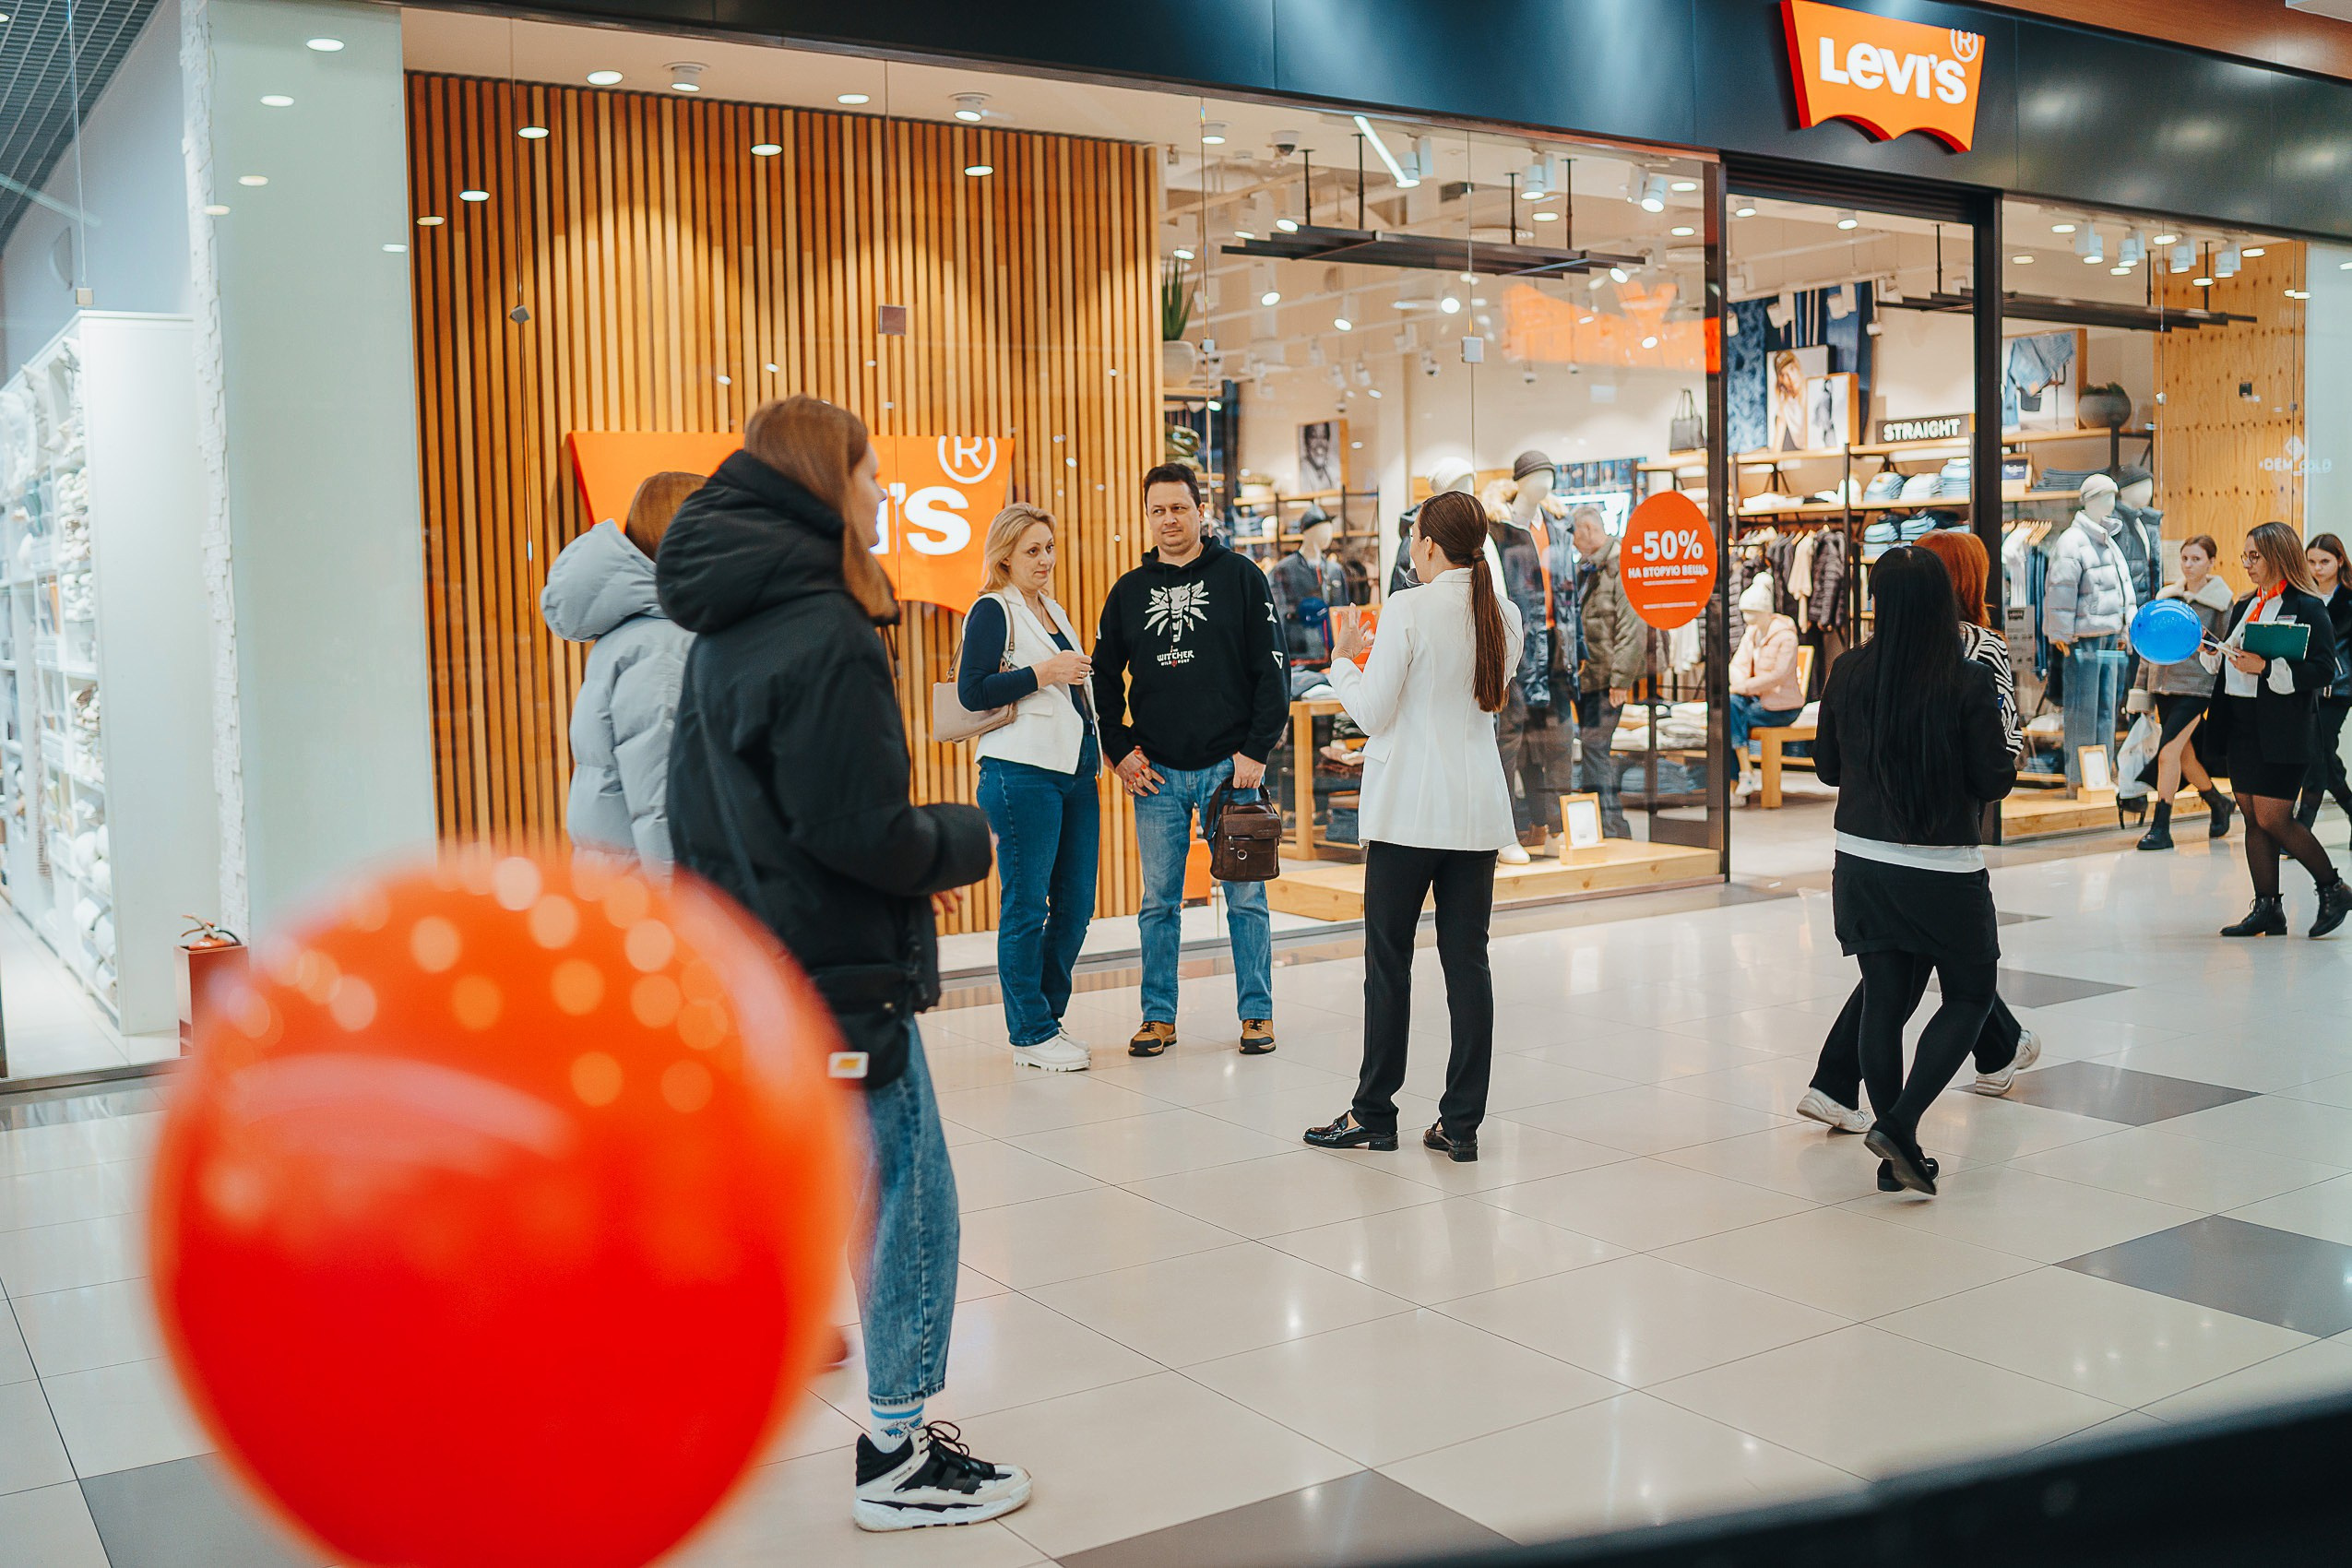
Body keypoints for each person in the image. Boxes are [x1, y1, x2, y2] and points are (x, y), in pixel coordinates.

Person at [659, 396, 1028, 1531]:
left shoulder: (732, 622)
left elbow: (710, 812)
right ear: (832, 483)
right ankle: (899, 1450)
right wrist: (962, 837)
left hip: (765, 958)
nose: (882, 493)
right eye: (872, 473)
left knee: (843, 1188)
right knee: (909, 1196)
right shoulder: (822, 632)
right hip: (834, 964)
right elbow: (853, 827)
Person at [1796, 530, 2039, 1161]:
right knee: (1968, 995)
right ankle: (1899, 1125)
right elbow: (1993, 779)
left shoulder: (1846, 670)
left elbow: (1825, 768)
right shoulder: (1964, 679)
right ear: (1943, 600)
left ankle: (1893, 1135)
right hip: (1943, 869)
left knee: (1883, 999)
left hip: (1858, 863)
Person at [1303, 491, 1524, 1163]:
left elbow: (1371, 713)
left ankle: (1373, 1113)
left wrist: (1341, 659)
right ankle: (1460, 1124)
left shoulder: (1408, 608)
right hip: (1476, 812)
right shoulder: (1503, 613)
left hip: (1407, 814)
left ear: (1428, 545)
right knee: (1469, 966)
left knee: (1388, 963)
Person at [1093, 463, 1289, 1056]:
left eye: (1179, 508)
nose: (1169, 519)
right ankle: (1158, 1016)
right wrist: (1120, 750)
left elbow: (1272, 670)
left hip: (1233, 773)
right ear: (1147, 516)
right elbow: (1102, 680)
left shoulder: (1243, 578)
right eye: (1157, 510)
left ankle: (1257, 1014)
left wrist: (1255, 751)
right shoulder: (1127, 591)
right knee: (1158, 903)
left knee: (1247, 898)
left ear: (1201, 510)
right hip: (1156, 776)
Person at [960, 504, 1099, 1073]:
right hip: (1020, 773)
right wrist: (1045, 673)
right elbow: (973, 691)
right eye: (1032, 551)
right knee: (1026, 907)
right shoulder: (993, 609)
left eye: (1049, 547)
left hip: (1074, 771)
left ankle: (1045, 1016)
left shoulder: (1053, 609)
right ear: (1005, 556)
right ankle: (1030, 1032)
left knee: (1076, 905)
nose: (1045, 559)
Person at [2196, 523, 2352, 938]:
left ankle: (2334, 888)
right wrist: (2217, 653)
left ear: (2278, 556)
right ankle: (2268, 907)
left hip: (2286, 728)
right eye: (2244, 556)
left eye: (2255, 557)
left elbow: (2323, 668)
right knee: (2251, 816)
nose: (2247, 564)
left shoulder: (2308, 605)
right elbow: (2235, 657)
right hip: (2242, 724)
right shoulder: (2246, 604)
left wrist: (2265, 667)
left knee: (2274, 817)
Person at [540, 471, 698, 869]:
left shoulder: (641, 632)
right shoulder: (663, 646)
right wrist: (682, 920)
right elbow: (661, 807)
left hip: (621, 887)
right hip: (646, 899)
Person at [2132, 533, 2235, 850]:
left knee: (2168, 753)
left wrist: (2212, 646)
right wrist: (2141, 690)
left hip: (2197, 688)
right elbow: (2148, 646)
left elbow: (2228, 648)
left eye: (2197, 559)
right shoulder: (2166, 598)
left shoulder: (2221, 601)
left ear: (2211, 562)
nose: (2189, 565)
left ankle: (2161, 826)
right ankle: (2217, 802)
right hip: (2164, 685)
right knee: (2183, 755)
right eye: (2185, 559)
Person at [2043, 472, 2138, 791]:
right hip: (2084, 640)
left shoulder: (2106, 539)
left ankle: (2100, 776)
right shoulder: (2073, 541)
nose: (2112, 503)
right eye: (2107, 496)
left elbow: (2125, 588)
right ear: (2092, 499)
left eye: (2113, 496)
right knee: (2082, 709)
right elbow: (2060, 591)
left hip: (2109, 638)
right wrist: (2060, 634)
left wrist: (2127, 627)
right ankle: (2078, 778)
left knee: (2107, 708)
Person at [1555, 505, 1645, 838]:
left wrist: (1621, 678)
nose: (1573, 543)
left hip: (1607, 678)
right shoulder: (1587, 567)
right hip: (1587, 676)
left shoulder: (1620, 564)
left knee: (1594, 747)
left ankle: (1612, 827)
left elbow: (1631, 625)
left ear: (1590, 529)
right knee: (1594, 749)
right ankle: (1605, 825)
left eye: (1575, 535)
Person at [1728, 572, 1804, 799]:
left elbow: (1778, 676)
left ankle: (1741, 778)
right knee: (1730, 712)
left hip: (1782, 708)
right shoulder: (1752, 634)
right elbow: (1737, 663)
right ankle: (1744, 773)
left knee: (1730, 720)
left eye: (1750, 612)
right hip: (1756, 701)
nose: (1745, 617)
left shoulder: (1786, 637)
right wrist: (1739, 684)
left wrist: (1743, 687)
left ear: (1763, 611)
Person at [2295, 531, 2352, 830]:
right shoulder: (2304, 596)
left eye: (2325, 561)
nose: (2317, 568)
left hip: (2340, 689)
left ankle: (2302, 827)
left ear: (2339, 561)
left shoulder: (2349, 600)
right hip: (2307, 687)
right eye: (2312, 561)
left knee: (2317, 754)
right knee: (2323, 756)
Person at [1270, 507, 1350, 669]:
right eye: (1322, 529)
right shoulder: (1284, 570)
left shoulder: (1335, 570)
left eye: (1329, 529)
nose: (1328, 534)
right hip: (1299, 656)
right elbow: (1277, 615)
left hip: (1333, 657)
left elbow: (1343, 611)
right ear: (1307, 532)